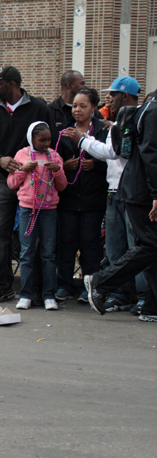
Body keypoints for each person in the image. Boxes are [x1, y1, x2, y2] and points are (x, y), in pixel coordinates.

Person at [63, 76, 146, 313]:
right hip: (113, 193)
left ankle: (142, 295)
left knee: (136, 249)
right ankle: (120, 294)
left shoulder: (140, 118)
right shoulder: (116, 121)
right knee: (115, 248)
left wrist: (83, 141)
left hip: (132, 194)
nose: (109, 98)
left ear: (126, 96)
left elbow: (112, 152)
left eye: (114, 94)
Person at [0, 66, 56, 303]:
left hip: (33, 183)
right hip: (1, 180)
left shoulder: (39, 108)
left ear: (11, 84)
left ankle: (37, 289)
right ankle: (2, 286)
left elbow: (51, 142)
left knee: (35, 236)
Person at [85, 93, 157, 322]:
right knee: (150, 244)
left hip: (139, 188)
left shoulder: (149, 109)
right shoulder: (153, 111)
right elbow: (150, 154)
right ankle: (101, 281)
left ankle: (151, 306)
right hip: (142, 191)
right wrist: (156, 193)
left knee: (151, 246)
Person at [54, 88, 108, 303]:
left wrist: (95, 164)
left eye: (83, 106)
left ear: (93, 107)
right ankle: (65, 285)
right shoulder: (64, 131)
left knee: (90, 244)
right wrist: (64, 166)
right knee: (66, 243)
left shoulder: (103, 131)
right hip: (67, 197)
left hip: (92, 198)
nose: (77, 110)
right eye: (75, 105)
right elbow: (53, 160)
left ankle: (90, 287)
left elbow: (113, 160)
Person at [8, 122, 67, 310]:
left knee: (48, 253)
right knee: (26, 252)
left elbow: (63, 185)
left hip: (49, 210)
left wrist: (56, 170)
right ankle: (25, 294)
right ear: (31, 139)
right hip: (27, 209)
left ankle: (49, 295)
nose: (46, 143)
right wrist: (23, 168)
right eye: (41, 140)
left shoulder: (55, 156)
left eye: (48, 139)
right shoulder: (21, 155)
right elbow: (11, 183)